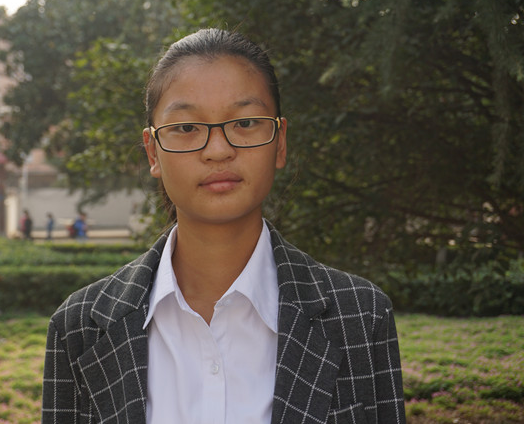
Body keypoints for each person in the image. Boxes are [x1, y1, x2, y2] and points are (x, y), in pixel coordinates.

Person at [42, 28, 405, 424]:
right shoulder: (80, 328)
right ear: (153, 152)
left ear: (280, 142)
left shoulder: (361, 316)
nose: (218, 150)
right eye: (186, 128)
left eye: (245, 122)